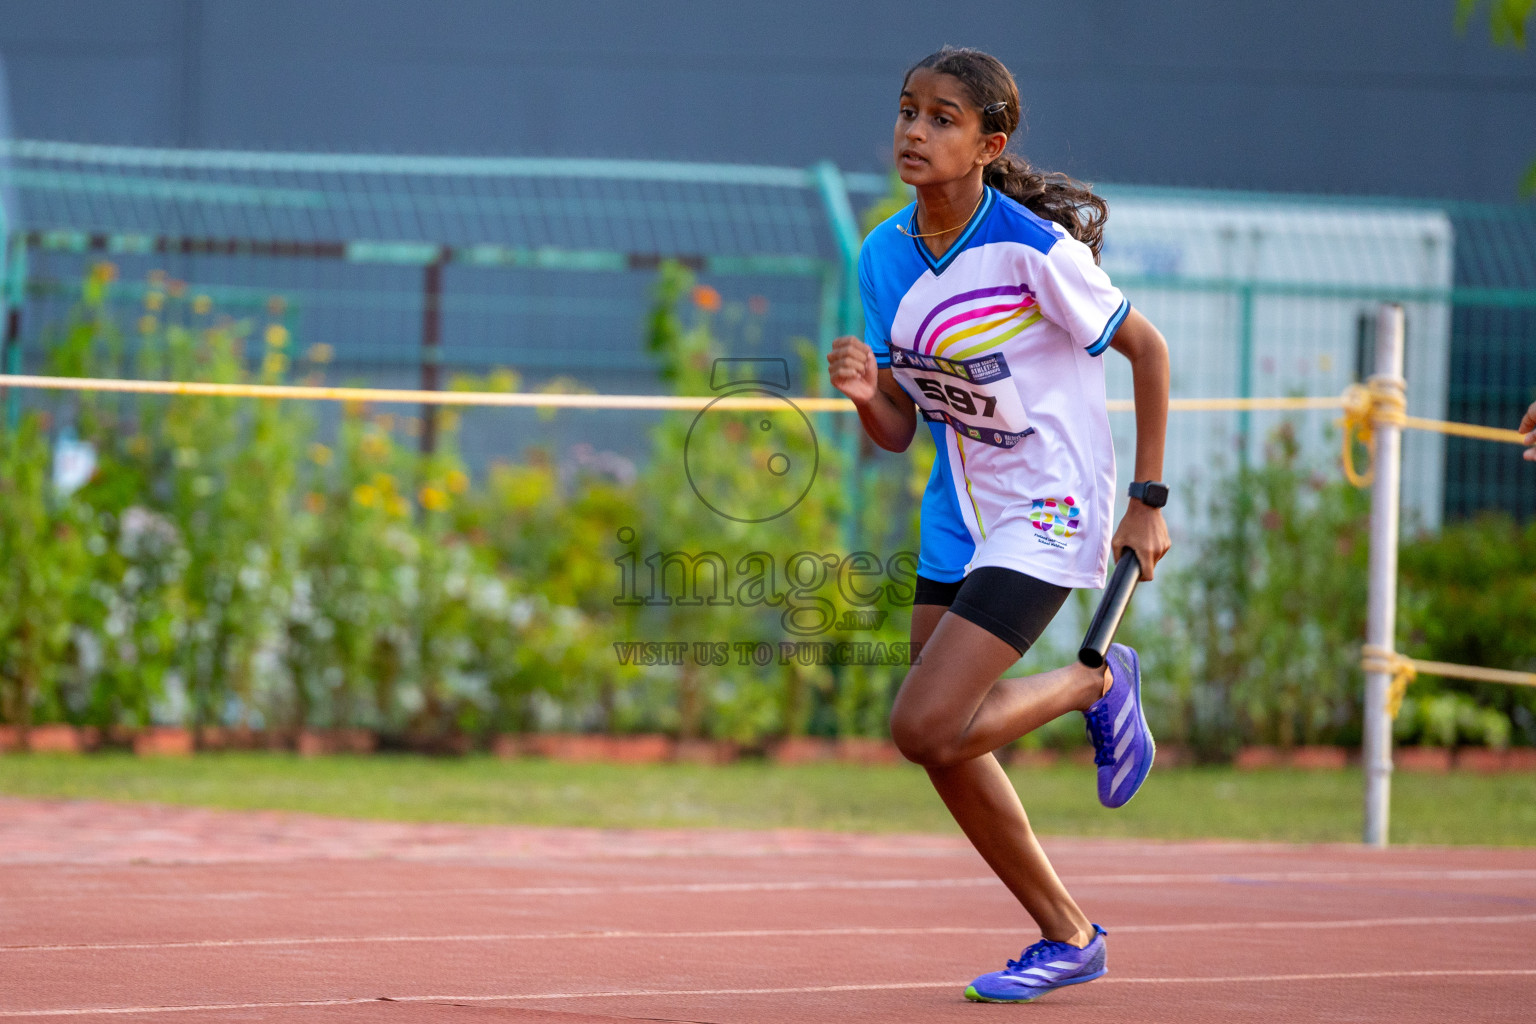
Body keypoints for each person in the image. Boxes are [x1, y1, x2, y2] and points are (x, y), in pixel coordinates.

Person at [826, 47, 1172, 1004]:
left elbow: (1147, 349)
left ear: (990, 143)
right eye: (906, 111)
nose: (914, 132)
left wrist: (1147, 500)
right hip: (959, 511)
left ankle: (1094, 684)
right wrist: (865, 398)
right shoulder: (884, 254)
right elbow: (899, 431)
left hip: (1050, 504)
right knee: (947, 742)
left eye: (942, 119)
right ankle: (1068, 933)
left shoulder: (1031, 249)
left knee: (923, 726)